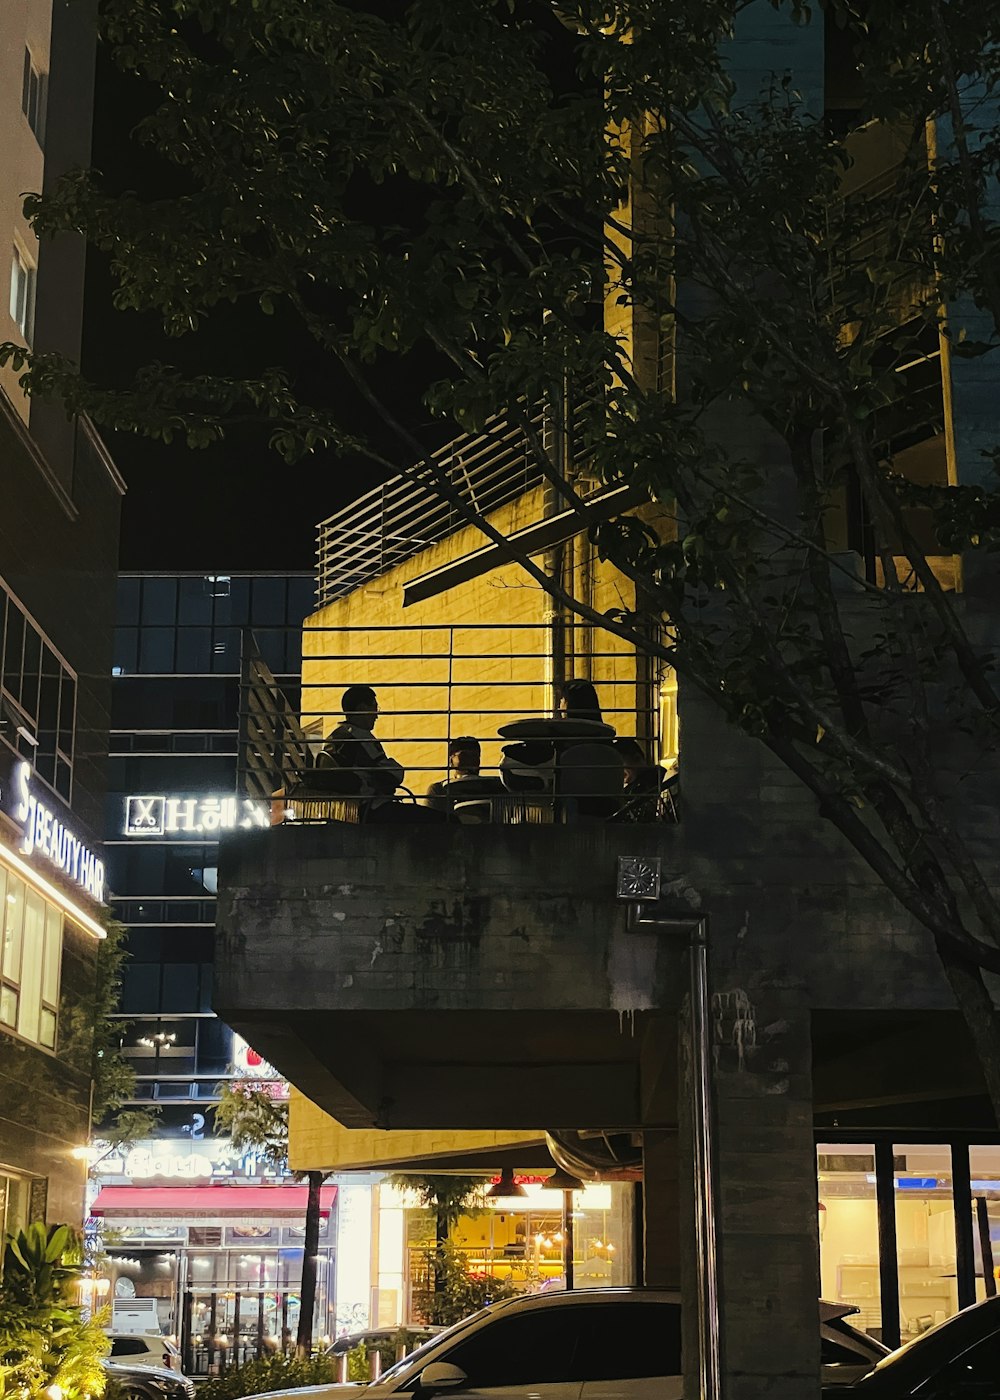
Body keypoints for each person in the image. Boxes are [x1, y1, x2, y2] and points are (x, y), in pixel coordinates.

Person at [319, 685, 404, 800]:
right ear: (362, 708)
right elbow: (394, 775)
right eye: (374, 708)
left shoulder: (333, 738)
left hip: (347, 809)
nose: (376, 716)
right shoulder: (360, 737)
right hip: (371, 807)